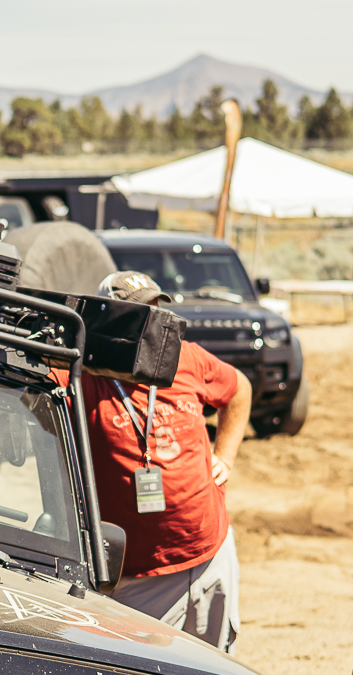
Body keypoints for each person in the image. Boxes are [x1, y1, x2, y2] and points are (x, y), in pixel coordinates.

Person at [77, 270, 253, 652]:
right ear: (109, 319)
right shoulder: (86, 375)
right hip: (137, 578)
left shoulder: (186, 358)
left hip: (209, 554)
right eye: (141, 312)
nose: (154, 321)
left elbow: (239, 388)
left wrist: (225, 455)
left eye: (158, 309)